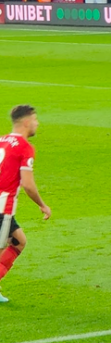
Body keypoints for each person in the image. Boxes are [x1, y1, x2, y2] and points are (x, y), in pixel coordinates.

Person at [0, 105, 52, 303]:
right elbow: (28, 184)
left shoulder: (1, 141)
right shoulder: (24, 147)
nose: (38, 124)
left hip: (3, 209)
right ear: (27, 122)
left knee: (18, 241)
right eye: (36, 120)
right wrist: (42, 204)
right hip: (2, 208)